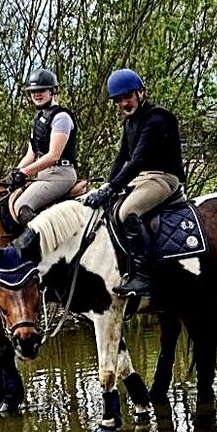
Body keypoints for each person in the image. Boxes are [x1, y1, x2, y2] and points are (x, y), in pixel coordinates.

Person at [84, 68, 187, 298]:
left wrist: (112, 188)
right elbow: (122, 158)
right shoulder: (130, 123)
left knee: (128, 212)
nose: (124, 103)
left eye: (127, 96)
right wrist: (107, 186)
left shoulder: (157, 118)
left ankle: (143, 276)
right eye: (119, 100)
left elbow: (138, 160)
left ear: (141, 93)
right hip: (143, 177)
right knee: (109, 210)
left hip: (163, 177)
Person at [9, 68, 79, 225]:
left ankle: (39, 245)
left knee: (21, 205)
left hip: (60, 174)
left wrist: (25, 172)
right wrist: (15, 172)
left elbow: (53, 155)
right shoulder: (39, 119)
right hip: (43, 175)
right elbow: (31, 154)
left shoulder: (61, 117)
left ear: (53, 91)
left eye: (41, 90)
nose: (36, 94)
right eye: (33, 91)